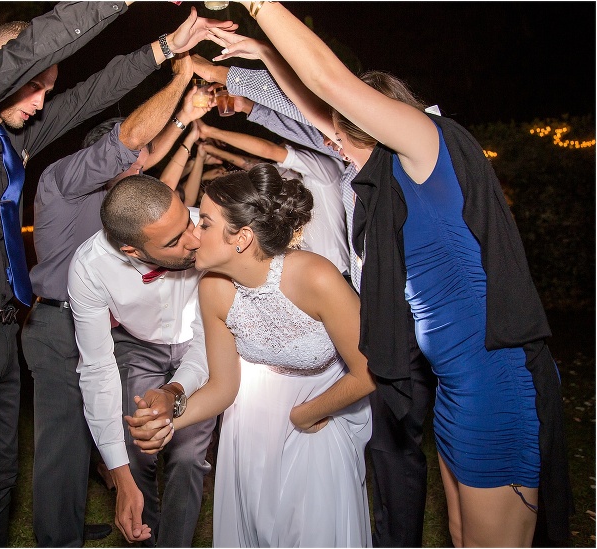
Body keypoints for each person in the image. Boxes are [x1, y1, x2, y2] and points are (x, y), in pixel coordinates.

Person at [210, 3, 572, 546]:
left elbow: (326, 83)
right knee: (458, 534)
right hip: (455, 387)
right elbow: (315, 106)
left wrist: (258, 7)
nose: (330, 142)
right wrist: (262, 54)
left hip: (494, 384)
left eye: (340, 133)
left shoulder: (426, 151)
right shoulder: (383, 179)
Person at [0, 2, 234, 545]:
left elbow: (90, 95)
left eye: (46, 91)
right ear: (3, 65)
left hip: (1, 329)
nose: (41, 103)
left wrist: (165, 48)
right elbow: (33, 50)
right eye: (34, 87)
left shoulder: (10, 138)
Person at [192, 54, 436, 547]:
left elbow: (307, 107)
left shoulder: (402, 164)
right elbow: (305, 112)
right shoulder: (349, 173)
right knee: (379, 454)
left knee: (395, 449)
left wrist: (232, 80)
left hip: (401, 317)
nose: (330, 141)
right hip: (345, 304)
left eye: (342, 134)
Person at [21, 46, 212, 547]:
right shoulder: (62, 185)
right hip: (58, 322)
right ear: (101, 164)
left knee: (92, 432)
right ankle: (58, 538)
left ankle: (81, 517)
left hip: (99, 326)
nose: (139, 168)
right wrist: (176, 88)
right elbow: (131, 150)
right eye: (130, 164)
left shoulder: (121, 206)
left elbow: (154, 184)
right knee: (62, 440)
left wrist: (187, 121)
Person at [130, 164, 375, 546]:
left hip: (317, 423)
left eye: (204, 223)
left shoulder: (316, 277)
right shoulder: (213, 288)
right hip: (249, 430)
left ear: (241, 237)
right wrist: (169, 423)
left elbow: (369, 370)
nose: (193, 235)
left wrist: (305, 415)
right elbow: (223, 386)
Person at [67, 175, 216, 546]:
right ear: (132, 250)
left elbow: (208, 338)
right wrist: (120, 477)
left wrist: (176, 390)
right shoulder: (89, 268)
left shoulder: (210, 233)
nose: (194, 240)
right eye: (174, 241)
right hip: (139, 345)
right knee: (136, 450)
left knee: (189, 455)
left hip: (201, 343)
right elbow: (97, 369)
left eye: (189, 222)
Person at [194, 118, 349, 272]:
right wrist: (213, 150)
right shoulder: (296, 174)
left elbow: (270, 151)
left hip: (337, 271)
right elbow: (253, 167)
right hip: (308, 274)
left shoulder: (324, 166)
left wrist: (210, 131)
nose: (283, 143)